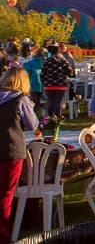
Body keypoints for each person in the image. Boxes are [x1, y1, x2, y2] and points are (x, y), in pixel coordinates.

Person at [0, 68, 38, 244]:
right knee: (5, 195)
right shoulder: (20, 99)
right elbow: (32, 124)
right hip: (11, 150)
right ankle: (3, 236)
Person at [41, 44, 73, 117]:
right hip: (60, 83)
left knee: (50, 102)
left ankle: (49, 118)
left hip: (49, 84)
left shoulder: (47, 60)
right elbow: (70, 71)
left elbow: (42, 72)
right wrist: (65, 75)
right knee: (58, 102)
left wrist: (45, 80)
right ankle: (57, 118)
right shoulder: (63, 60)